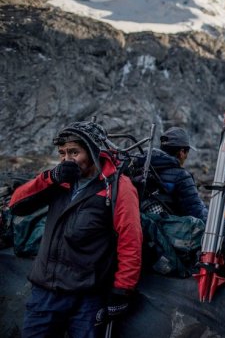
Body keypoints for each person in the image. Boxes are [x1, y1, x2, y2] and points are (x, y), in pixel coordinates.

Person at [9, 121, 143, 338]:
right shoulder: (60, 179)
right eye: (62, 153)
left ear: (92, 151)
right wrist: (51, 177)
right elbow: (17, 205)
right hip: (45, 293)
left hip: (88, 298)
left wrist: (122, 290)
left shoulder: (117, 186)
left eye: (74, 152)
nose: (66, 159)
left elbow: (131, 240)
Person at [139, 126, 208, 222]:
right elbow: (196, 212)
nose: (186, 157)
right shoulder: (182, 176)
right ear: (182, 152)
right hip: (169, 231)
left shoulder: (144, 167)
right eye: (187, 152)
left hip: (144, 224)